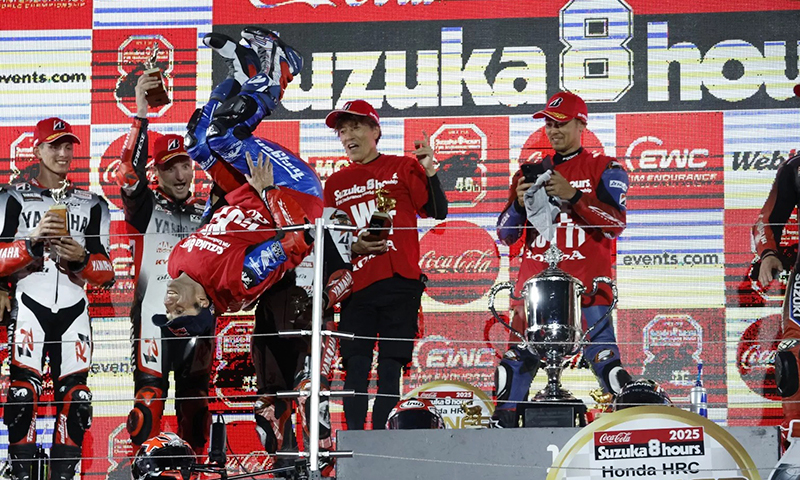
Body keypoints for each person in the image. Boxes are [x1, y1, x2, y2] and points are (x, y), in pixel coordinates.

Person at [180, 28, 353, 469]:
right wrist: (268, 191)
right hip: (292, 195)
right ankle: (277, 72)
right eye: (180, 309)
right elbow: (301, 243)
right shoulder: (239, 278)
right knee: (221, 136)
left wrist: (224, 196)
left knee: (198, 140)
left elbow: (220, 221)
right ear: (203, 304)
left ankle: (243, 72)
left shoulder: (188, 259)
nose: (170, 301)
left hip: (254, 197)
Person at [493, 91, 632, 426]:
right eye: (549, 124)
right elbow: (505, 233)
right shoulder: (527, 174)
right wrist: (518, 205)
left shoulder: (605, 167)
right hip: (535, 292)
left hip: (587, 289)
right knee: (513, 366)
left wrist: (574, 196)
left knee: (606, 362)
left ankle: (629, 428)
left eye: (561, 123)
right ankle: (499, 433)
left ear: (581, 124)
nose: (553, 130)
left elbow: (615, 224)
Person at [323, 99, 448, 430]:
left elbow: (438, 211)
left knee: (391, 368)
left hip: (400, 282)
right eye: (342, 131)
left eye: (355, 127)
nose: (348, 136)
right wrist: (355, 246)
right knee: (356, 366)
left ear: (375, 131)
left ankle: (381, 439)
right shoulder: (334, 184)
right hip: (356, 287)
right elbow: (330, 244)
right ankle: (353, 441)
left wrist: (430, 171)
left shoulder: (402, 166)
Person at [0, 117, 115, 480]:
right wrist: (31, 244)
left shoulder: (93, 203)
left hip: (74, 308)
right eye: (54, 146)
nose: (63, 153)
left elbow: (107, 273)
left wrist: (81, 259)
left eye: (68, 146)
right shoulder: (11, 196)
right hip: (28, 304)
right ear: (37, 150)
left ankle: (64, 475)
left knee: (77, 399)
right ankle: (21, 472)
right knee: (21, 396)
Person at [114, 73, 212, 455]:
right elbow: (128, 171)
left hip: (200, 322)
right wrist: (141, 113)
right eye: (170, 167)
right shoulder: (144, 207)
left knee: (196, 409)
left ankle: (195, 475)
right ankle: (145, 473)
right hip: (151, 321)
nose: (180, 174)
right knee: (147, 407)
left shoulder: (209, 212)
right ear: (156, 172)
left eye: (184, 164)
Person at [752, 149, 800, 451]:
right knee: (793, 357)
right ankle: (796, 449)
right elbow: (766, 220)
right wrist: (769, 252)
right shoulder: (796, 167)